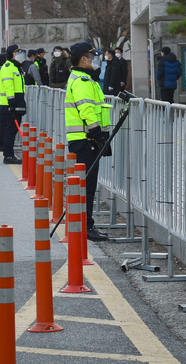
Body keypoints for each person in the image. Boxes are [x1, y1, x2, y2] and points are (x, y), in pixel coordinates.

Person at [65, 41, 112, 242]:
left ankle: (84, 225)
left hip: (85, 139)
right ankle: (85, 227)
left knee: (86, 185)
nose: (95, 60)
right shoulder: (82, 81)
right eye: (92, 57)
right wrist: (96, 131)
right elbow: (86, 108)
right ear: (83, 59)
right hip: (86, 140)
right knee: (87, 186)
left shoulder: (84, 79)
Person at [0, 44, 27, 164]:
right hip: (11, 103)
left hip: (17, 101)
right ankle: (8, 155)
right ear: (12, 54)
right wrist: (11, 102)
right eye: (17, 52)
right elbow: (8, 86)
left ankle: (10, 154)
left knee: (13, 130)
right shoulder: (8, 67)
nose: (19, 55)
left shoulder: (16, 67)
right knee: (11, 130)